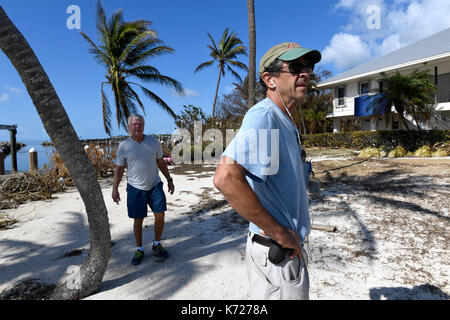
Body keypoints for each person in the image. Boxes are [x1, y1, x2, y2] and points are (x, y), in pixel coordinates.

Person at [213, 42, 321, 299]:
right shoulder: (265, 116)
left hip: (283, 253)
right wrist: (278, 231)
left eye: (308, 66)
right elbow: (225, 178)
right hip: (278, 256)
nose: (305, 73)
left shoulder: (284, 119)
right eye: (295, 67)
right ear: (269, 79)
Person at [112, 114, 175, 265]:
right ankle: (139, 249)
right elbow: (119, 169)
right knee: (138, 219)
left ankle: (157, 243)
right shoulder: (124, 146)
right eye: (134, 124)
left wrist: (169, 179)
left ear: (144, 125)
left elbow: (161, 162)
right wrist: (115, 189)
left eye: (140, 124)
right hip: (135, 188)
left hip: (155, 185)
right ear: (129, 127)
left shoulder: (153, 142)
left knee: (160, 214)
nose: (137, 126)